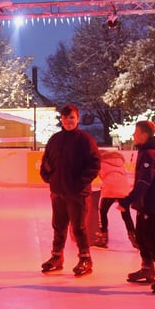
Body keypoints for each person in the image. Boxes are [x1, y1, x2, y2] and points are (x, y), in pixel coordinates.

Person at [39, 104, 101, 277]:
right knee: (58, 226)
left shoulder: (85, 140)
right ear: (61, 119)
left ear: (78, 119)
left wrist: (79, 184)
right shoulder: (55, 139)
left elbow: (94, 164)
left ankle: (85, 259)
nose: (68, 121)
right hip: (58, 192)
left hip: (77, 193)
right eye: (65, 118)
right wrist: (48, 177)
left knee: (78, 227)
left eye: (72, 117)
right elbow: (46, 161)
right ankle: (56, 257)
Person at [119, 120, 155, 293]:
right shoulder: (145, 152)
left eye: (136, 133)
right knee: (142, 238)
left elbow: (144, 182)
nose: (133, 135)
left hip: (150, 206)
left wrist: (128, 200)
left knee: (151, 239)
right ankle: (147, 268)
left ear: (144, 135)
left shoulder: (150, 155)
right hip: (143, 206)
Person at [94, 150, 136, 249]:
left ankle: (103, 238)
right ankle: (134, 238)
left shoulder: (101, 162)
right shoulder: (120, 162)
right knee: (126, 214)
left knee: (103, 211)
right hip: (123, 188)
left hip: (110, 188)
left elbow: (96, 174)